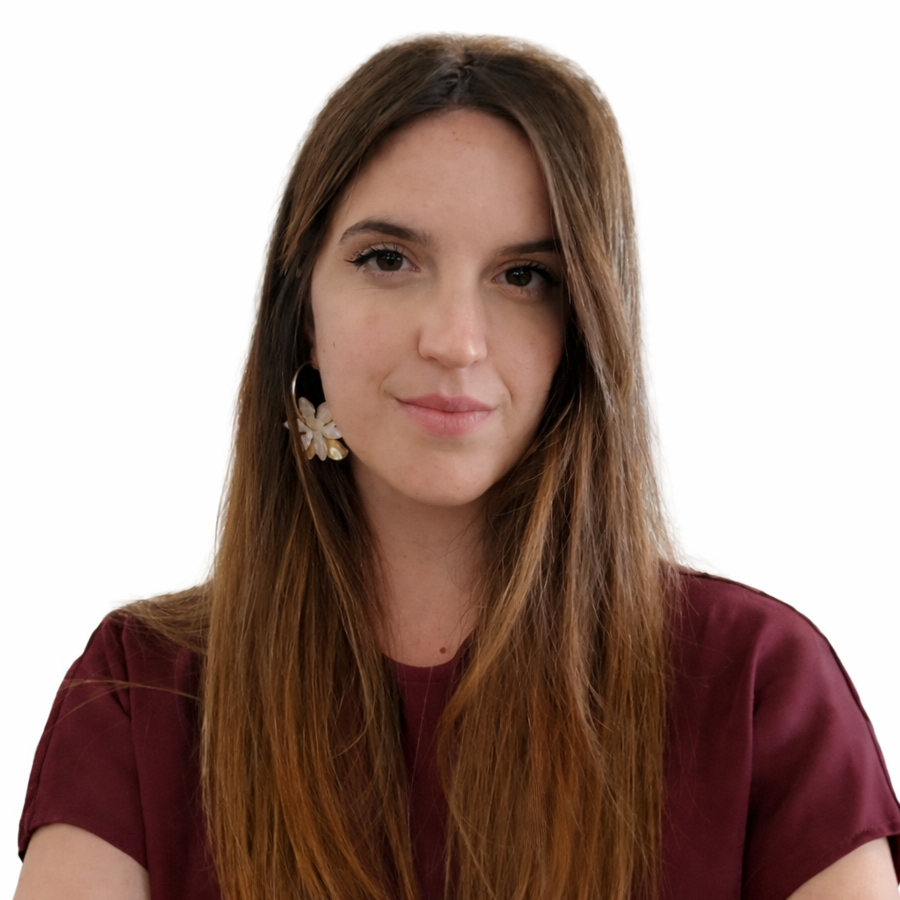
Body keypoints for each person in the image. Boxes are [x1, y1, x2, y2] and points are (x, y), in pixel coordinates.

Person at [14, 34, 900, 900]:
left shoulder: (758, 686)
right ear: (302, 312)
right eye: (388, 260)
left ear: (584, 328)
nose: (455, 340)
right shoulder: (139, 692)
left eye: (524, 276)